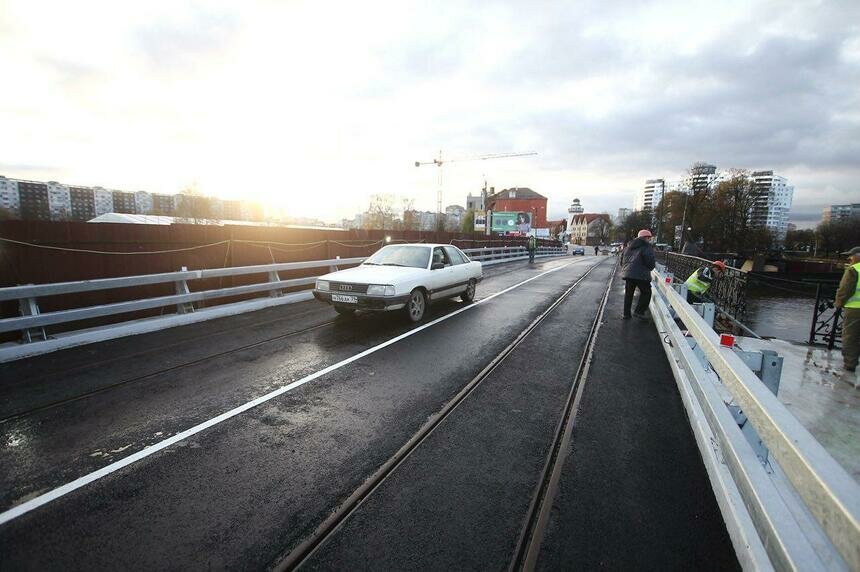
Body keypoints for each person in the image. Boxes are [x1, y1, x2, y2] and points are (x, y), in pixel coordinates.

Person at [834, 246, 860, 372]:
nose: (849, 258)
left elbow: (845, 289)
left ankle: (850, 364)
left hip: (855, 309)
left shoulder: (853, 270)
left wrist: (838, 303)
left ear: (857, 256)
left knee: (850, 336)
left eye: (851, 255)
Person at [621, 229, 656, 321]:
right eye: (649, 238)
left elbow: (622, 260)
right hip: (641, 274)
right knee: (646, 292)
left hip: (628, 273)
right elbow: (649, 261)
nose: (649, 240)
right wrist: (651, 267)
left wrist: (626, 269)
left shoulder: (628, 246)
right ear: (645, 238)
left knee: (628, 294)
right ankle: (639, 312)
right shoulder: (646, 246)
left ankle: (626, 314)